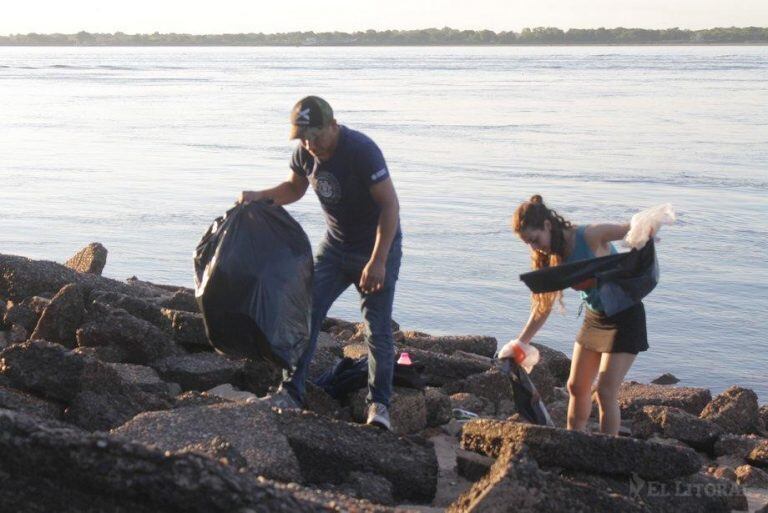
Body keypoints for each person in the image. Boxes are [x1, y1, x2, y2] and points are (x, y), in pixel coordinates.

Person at [239, 96, 402, 430]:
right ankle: (291, 392)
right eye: (302, 137)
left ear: (332, 125)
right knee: (305, 315)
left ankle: (380, 405)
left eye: (314, 135)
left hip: (376, 248)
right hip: (335, 247)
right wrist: (259, 197)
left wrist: (378, 261)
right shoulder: (304, 154)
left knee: (377, 329)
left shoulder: (361, 151)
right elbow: (293, 189)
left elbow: (390, 207)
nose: (309, 143)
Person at [500, 194, 649, 436]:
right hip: (595, 317)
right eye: (528, 243)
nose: (534, 247)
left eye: (535, 239)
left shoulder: (589, 236)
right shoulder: (552, 256)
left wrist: (647, 228)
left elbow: (628, 229)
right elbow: (543, 307)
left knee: (605, 391)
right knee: (576, 387)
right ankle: (572, 440)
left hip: (625, 317)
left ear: (548, 225)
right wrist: (520, 343)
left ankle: (608, 452)